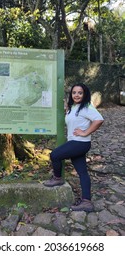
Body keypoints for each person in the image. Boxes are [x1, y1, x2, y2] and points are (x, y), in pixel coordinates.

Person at [43, 83, 104, 212]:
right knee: (82, 172)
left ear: (84, 94)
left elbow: (99, 119)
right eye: (74, 92)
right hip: (76, 142)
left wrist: (86, 132)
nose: (76, 95)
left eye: (80, 93)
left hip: (80, 143)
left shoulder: (86, 107)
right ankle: (86, 202)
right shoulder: (73, 107)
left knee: (55, 155)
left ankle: (57, 178)